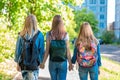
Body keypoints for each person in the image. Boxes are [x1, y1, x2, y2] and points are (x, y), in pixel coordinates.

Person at [40, 15, 73, 80]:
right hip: (63, 62)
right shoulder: (65, 34)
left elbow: (47, 51)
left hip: (52, 61)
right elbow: (68, 51)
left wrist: (43, 63)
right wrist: (70, 64)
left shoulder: (49, 34)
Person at [14, 14, 44, 80]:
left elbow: (18, 51)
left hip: (24, 65)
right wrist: (41, 62)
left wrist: (17, 63)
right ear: (35, 22)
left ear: (26, 23)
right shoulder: (40, 35)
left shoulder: (21, 35)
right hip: (34, 64)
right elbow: (41, 51)